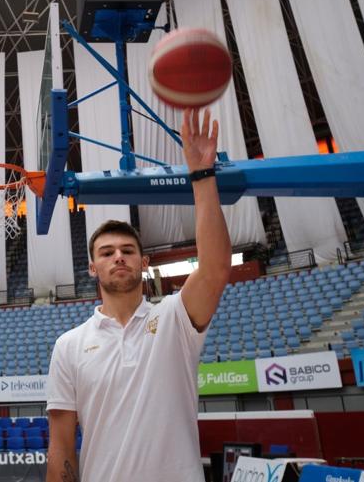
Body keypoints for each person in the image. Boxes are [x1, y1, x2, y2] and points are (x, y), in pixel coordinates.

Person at [45, 107, 232, 482]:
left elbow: (214, 269)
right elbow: (62, 446)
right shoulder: (69, 345)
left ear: (143, 262)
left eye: (128, 251)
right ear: (92, 268)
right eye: (107, 252)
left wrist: (201, 175)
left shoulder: (175, 318)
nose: (118, 257)